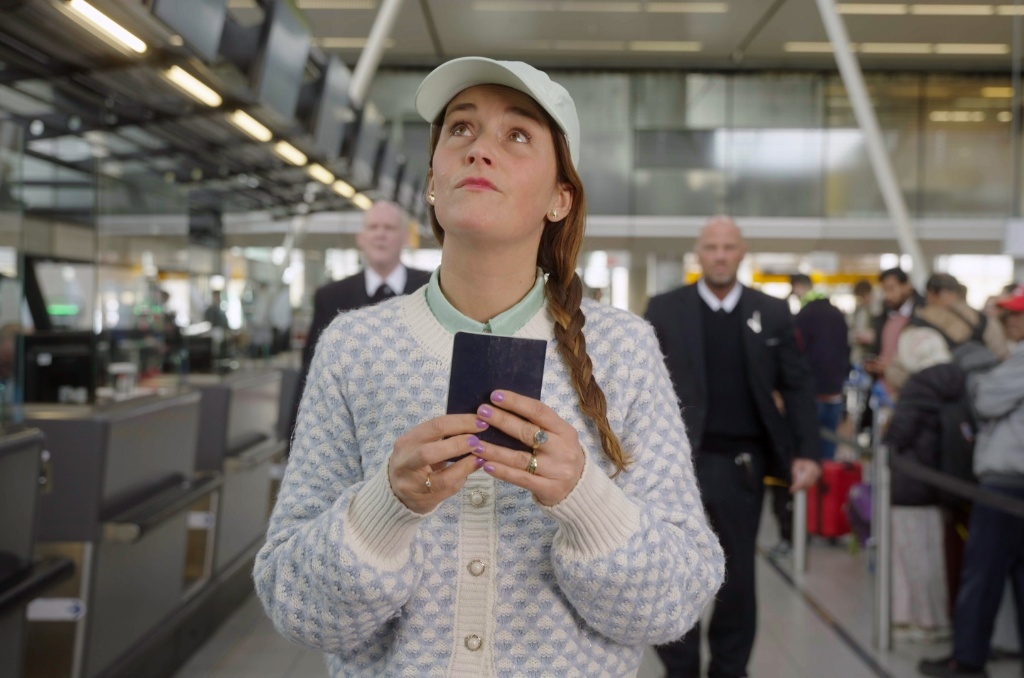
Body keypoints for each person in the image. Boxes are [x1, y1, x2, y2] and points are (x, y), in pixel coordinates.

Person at [256, 57, 724, 676]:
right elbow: (295, 608)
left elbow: (677, 603)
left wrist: (585, 500)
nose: (479, 149)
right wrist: (384, 507)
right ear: (432, 179)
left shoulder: (624, 350)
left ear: (559, 198)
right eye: (460, 128)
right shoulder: (354, 347)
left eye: (517, 135)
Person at [645, 216, 821, 678]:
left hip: (742, 465)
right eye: (711, 247)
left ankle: (729, 669)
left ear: (742, 253)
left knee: (737, 575)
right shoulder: (665, 309)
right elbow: (642, 387)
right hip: (677, 465)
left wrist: (806, 452)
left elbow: (797, 384)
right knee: (675, 571)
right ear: (698, 254)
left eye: (728, 247)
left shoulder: (771, 311)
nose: (720, 256)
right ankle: (680, 667)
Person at [919, 284, 1024, 678]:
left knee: (982, 575)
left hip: (1006, 483)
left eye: (1018, 314)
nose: (1010, 321)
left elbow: (985, 398)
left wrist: (978, 376)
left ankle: (967, 661)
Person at [883, 327, 957, 644]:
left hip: (910, 481)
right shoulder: (955, 378)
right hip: (941, 479)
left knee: (909, 555)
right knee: (931, 553)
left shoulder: (918, 385)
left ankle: (918, 619)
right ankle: (933, 617)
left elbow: (897, 435)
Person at [301, 200, 431, 375]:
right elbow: (312, 368)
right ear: (360, 238)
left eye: (389, 228)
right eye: (373, 227)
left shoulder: (431, 290)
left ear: (406, 237)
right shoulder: (330, 297)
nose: (380, 234)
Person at [790, 273, 851, 461]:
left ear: (798, 287)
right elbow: (846, 349)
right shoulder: (837, 313)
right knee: (829, 446)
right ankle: (828, 477)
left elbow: (795, 353)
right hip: (835, 390)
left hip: (811, 392)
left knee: (809, 448)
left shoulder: (804, 315)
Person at [865, 267, 923, 399]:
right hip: (883, 392)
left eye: (891, 289)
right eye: (884, 290)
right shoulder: (884, 316)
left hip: (909, 394)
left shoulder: (922, 316)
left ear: (907, 286)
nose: (887, 296)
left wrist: (892, 368)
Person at [849, 278, 875, 367]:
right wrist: (856, 337)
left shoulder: (876, 312)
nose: (864, 299)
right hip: (857, 357)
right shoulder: (856, 312)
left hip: (872, 356)